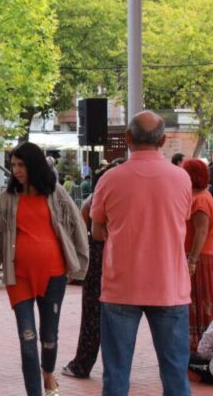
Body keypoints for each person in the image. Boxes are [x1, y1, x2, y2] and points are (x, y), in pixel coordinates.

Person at [91, 111, 192, 396]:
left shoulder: (110, 179)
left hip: (121, 287)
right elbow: (179, 221)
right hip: (169, 287)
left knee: (116, 374)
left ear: (127, 138)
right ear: (163, 140)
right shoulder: (181, 178)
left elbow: (97, 230)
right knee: (175, 375)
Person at [0, 142, 89, 396]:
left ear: (34, 165)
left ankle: (48, 373)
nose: (16, 170)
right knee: (27, 339)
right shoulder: (8, 199)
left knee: (49, 337)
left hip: (54, 275)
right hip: (19, 278)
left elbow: (77, 227)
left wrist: (81, 264)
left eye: (21, 165)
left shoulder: (56, 193)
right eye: (13, 165)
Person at [62, 159, 124, 380]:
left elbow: (86, 227)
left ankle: (82, 364)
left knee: (92, 314)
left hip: (99, 258)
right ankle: (116, 367)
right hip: (121, 259)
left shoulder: (97, 196)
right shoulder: (125, 197)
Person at [181, 159, 213, 352]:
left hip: (199, 258)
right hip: (198, 257)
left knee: (198, 301)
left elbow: (201, 232)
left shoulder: (201, 199)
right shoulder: (198, 196)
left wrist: (192, 261)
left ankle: (199, 348)